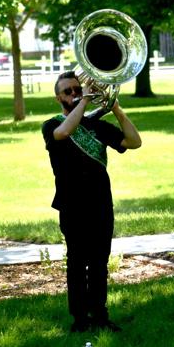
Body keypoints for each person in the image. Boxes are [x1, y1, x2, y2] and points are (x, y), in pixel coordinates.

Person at [42, 71, 141, 333]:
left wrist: (116, 109)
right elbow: (64, 133)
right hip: (72, 205)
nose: (74, 94)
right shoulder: (51, 125)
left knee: (99, 261)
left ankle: (99, 314)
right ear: (58, 98)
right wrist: (85, 101)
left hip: (100, 204)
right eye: (69, 91)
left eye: (77, 89)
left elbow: (134, 141)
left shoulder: (96, 125)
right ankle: (79, 319)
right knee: (77, 262)